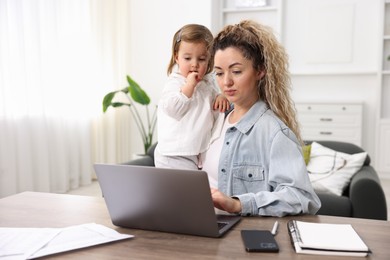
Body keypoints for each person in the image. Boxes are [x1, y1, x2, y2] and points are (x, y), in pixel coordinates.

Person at [202, 20, 321, 217]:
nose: (226, 82)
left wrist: (238, 204)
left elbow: (301, 197)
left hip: (237, 236)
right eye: (219, 73)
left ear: (260, 71)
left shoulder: (273, 132)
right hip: (202, 227)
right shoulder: (216, 117)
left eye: (237, 71)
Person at [155, 24, 230, 170]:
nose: (194, 64)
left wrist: (220, 96)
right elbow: (173, 109)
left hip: (197, 153)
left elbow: (212, 106)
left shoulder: (207, 83)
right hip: (173, 155)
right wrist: (189, 87)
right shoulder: (175, 82)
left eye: (201, 59)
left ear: (210, 59)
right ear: (177, 57)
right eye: (188, 58)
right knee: (182, 191)